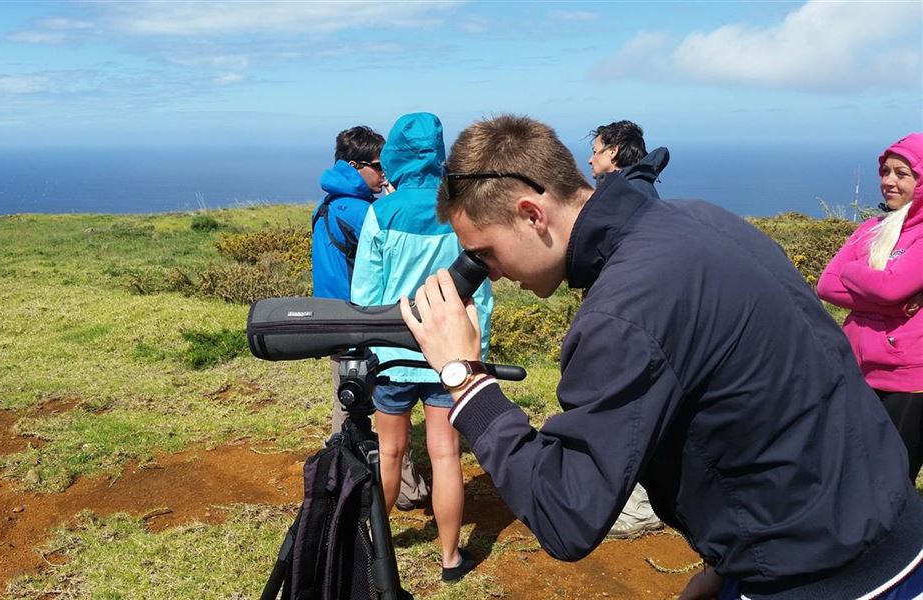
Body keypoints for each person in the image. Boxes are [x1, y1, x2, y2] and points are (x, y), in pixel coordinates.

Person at [400, 115, 923, 599]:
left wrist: (464, 380)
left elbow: (566, 514)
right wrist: (730, 563)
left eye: (486, 252)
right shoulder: (701, 221)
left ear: (532, 213)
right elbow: (783, 389)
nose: (488, 272)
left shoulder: (625, 310)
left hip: (826, 579)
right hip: (891, 530)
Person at [351, 112, 494, 582]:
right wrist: (476, 354)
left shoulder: (381, 212)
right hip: (448, 357)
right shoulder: (459, 211)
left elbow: (365, 298)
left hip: (391, 356)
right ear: (439, 154)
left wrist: (370, 350)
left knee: (389, 455)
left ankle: (377, 551)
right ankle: (451, 559)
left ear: (392, 153)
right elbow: (481, 294)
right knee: (446, 454)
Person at [311, 125, 429, 511]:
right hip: (359, 323)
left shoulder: (330, 203)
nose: (385, 174)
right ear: (353, 165)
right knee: (383, 407)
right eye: (379, 167)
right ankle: (405, 490)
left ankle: (339, 481)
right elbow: (396, 253)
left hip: (334, 320)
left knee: (347, 404)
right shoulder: (359, 210)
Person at [818, 132, 923, 484]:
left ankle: (904, 540)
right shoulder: (870, 229)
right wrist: (888, 306)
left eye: (902, 174)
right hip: (860, 369)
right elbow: (827, 284)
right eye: (886, 172)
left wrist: (853, 274)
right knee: (851, 468)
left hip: (909, 380)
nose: (889, 182)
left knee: (892, 478)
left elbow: (893, 287)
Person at [587, 120, 671, 538]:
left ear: (616, 152)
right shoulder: (642, 190)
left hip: (628, 319)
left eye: (598, 150)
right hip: (639, 316)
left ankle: (636, 508)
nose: (590, 158)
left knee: (626, 407)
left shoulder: (622, 197)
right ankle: (642, 500)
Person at [588, 119, 670, 201]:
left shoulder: (624, 194)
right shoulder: (641, 187)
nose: (590, 161)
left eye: (595, 152)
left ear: (613, 151)